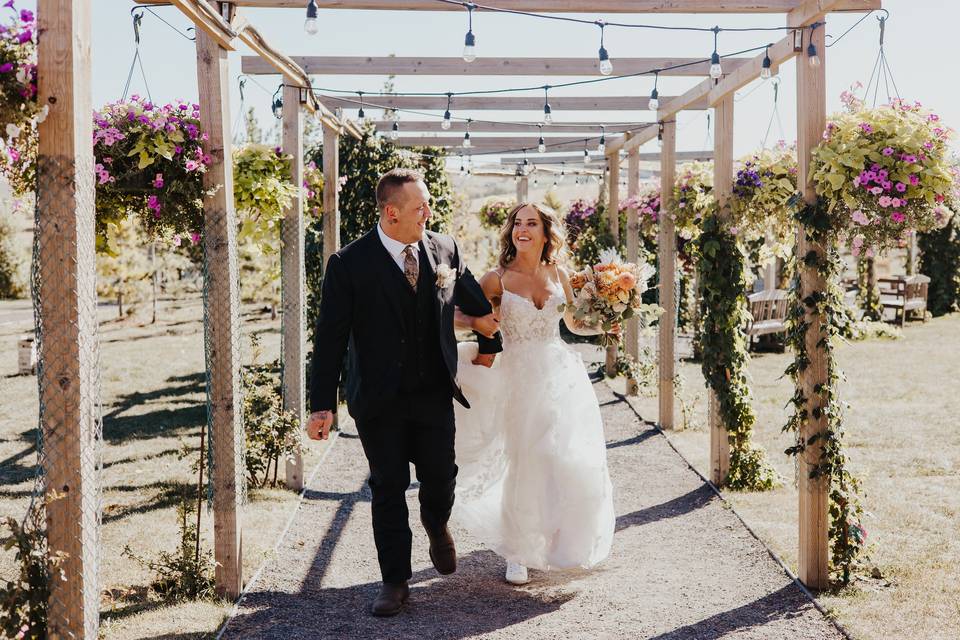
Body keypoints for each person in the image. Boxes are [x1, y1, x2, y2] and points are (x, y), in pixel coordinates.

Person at [306, 168, 501, 616]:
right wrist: (322, 405)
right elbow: (330, 337)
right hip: (378, 399)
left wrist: (497, 320)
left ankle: (437, 524)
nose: (427, 213)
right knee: (388, 486)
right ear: (391, 213)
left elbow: (472, 302)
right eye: (419, 207)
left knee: (441, 477)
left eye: (427, 204)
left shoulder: (445, 248)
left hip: (434, 392)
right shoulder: (349, 263)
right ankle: (394, 580)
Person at [452, 202, 616, 586]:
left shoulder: (560, 272)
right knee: (526, 458)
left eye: (531, 223)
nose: (522, 230)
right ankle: (518, 552)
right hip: (517, 377)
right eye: (517, 224)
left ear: (546, 233)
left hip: (560, 374)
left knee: (565, 456)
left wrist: (606, 328)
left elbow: (574, 321)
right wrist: (480, 321)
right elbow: (455, 312)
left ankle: (562, 542)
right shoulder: (497, 279)